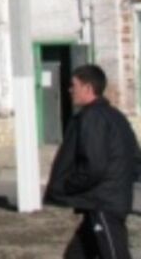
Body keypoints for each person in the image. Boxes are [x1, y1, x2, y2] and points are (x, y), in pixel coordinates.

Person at [45, 63, 141, 258]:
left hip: (104, 203)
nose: (70, 90)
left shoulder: (94, 118)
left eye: (74, 85)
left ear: (88, 88)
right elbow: (135, 159)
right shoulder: (115, 116)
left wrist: (67, 186)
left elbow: (93, 166)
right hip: (104, 200)